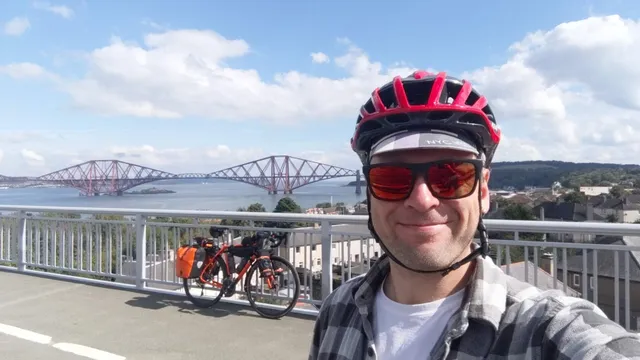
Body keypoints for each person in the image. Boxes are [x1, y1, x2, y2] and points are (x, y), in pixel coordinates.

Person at [308, 71, 640, 359]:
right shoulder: (337, 309)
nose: (422, 200)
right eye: (391, 179)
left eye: (451, 177)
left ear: (483, 193)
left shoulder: (545, 329)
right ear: (369, 194)